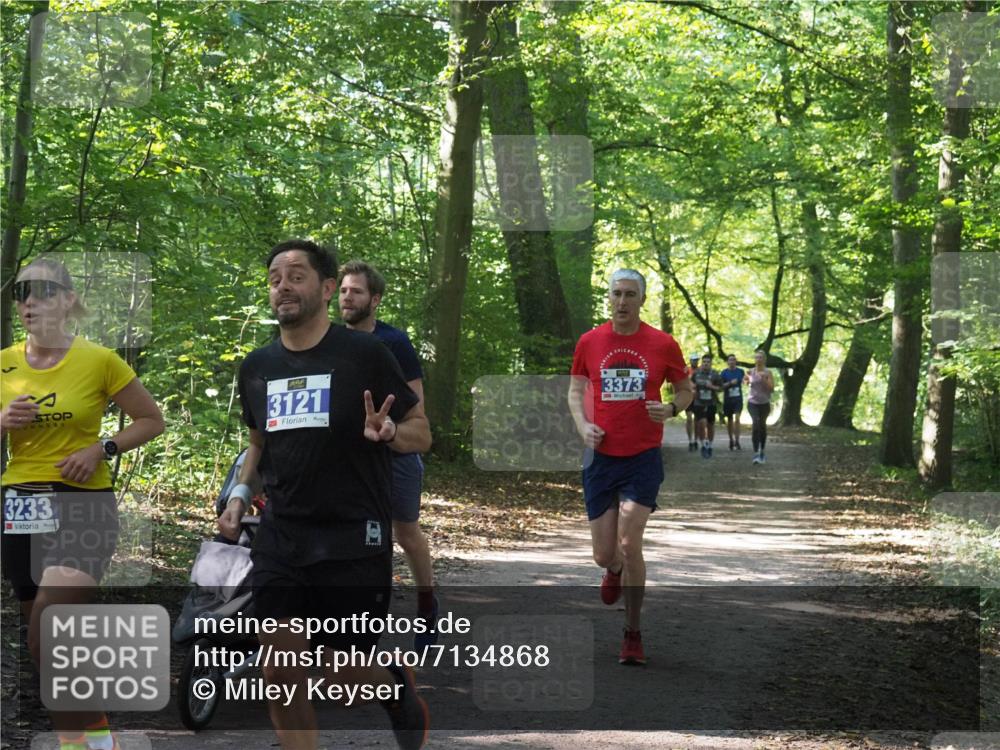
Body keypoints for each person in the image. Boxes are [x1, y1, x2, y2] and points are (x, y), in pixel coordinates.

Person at [216, 240, 432, 750]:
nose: (283, 286)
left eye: (296, 276)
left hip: (354, 533)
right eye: (274, 278)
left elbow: (421, 430)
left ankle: (390, 682)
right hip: (284, 533)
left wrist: (390, 434)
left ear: (327, 288)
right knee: (280, 663)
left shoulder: (364, 354)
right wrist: (241, 494)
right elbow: (259, 445)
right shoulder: (257, 367)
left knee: (342, 674)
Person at [1, 257, 164, 750]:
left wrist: (102, 448)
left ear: (68, 300)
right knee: (43, 642)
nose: (30, 302)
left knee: (53, 623)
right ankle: (88, 739)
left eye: (43, 291)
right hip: (20, 502)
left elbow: (150, 420)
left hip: (83, 501)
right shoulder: (4, 363)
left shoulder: (99, 360)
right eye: (22, 293)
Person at [567, 269, 693, 665]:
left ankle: (632, 632)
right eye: (616, 294)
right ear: (609, 298)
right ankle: (614, 569)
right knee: (605, 554)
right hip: (601, 458)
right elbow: (575, 392)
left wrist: (671, 407)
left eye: (630, 294)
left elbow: (685, 389)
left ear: (642, 299)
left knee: (629, 541)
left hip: (642, 456)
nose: (622, 301)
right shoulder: (590, 341)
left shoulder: (662, 343)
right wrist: (583, 425)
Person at [337, 259, 438, 648]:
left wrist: (394, 431)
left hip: (395, 453)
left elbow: (418, 409)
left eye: (357, 291)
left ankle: (427, 603)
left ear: (375, 299)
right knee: (356, 538)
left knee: (404, 532)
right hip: (350, 459)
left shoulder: (394, 342)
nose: (348, 297)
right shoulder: (329, 340)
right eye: (344, 290)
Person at [690, 353, 722, 458]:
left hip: (711, 402)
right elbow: (690, 383)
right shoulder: (696, 373)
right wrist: (693, 388)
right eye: (704, 362)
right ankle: (704, 444)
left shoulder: (715, 374)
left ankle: (710, 445)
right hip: (699, 402)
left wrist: (711, 386)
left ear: (711, 364)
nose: (706, 364)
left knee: (710, 425)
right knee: (701, 423)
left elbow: (720, 389)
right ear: (702, 363)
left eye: (708, 362)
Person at [746, 349, 775, 465]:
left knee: (762, 426)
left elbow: (771, 389)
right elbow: (746, 381)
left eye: (760, 358)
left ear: (764, 360)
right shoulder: (750, 371)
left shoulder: (768, 372)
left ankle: (762, 450)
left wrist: (764, 379)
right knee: (756, 425)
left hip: (764, 403)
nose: (758, 360)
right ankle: (756, 453)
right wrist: (746, 381)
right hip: (752, 403)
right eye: (756, 357)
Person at [720, 354, 745, 451]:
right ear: (727, 362)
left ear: (736, 361)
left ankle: (737, 440)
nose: (732, 361)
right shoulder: (724, 373)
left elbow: (745, 380)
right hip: (728, 399)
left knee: (737, 418)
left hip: (738, 399)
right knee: (729, 420)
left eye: (734, 360)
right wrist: (730, 383)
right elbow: (720, 386)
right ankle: (731, 440)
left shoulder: (740, 372)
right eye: (730, 360)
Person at [685, 355, 700, 451]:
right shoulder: (686, 370)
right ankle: (690, 440)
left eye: (696, 360)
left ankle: (695, 440)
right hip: (688, 397)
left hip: (698, 398)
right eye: (694, 360)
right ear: (690, 360)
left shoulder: (700, 370)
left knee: (697, 420)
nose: (695, 362)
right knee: (689, 418)